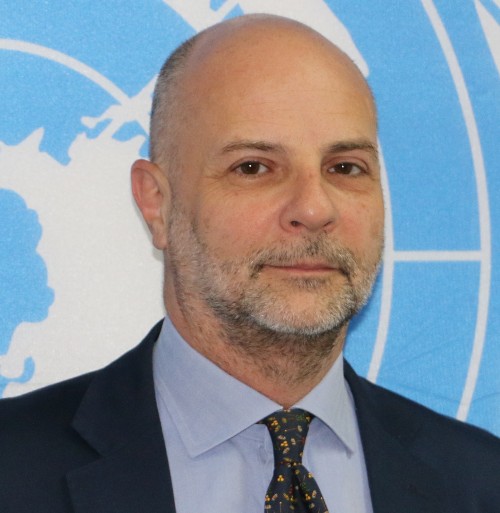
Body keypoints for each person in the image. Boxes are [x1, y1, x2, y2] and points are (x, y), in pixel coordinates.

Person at [1, 14, 499, 513]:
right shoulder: (13, 469)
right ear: (157, 203)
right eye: (254, 167)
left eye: (345, 167)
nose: (314, 208)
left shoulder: (480, 482)